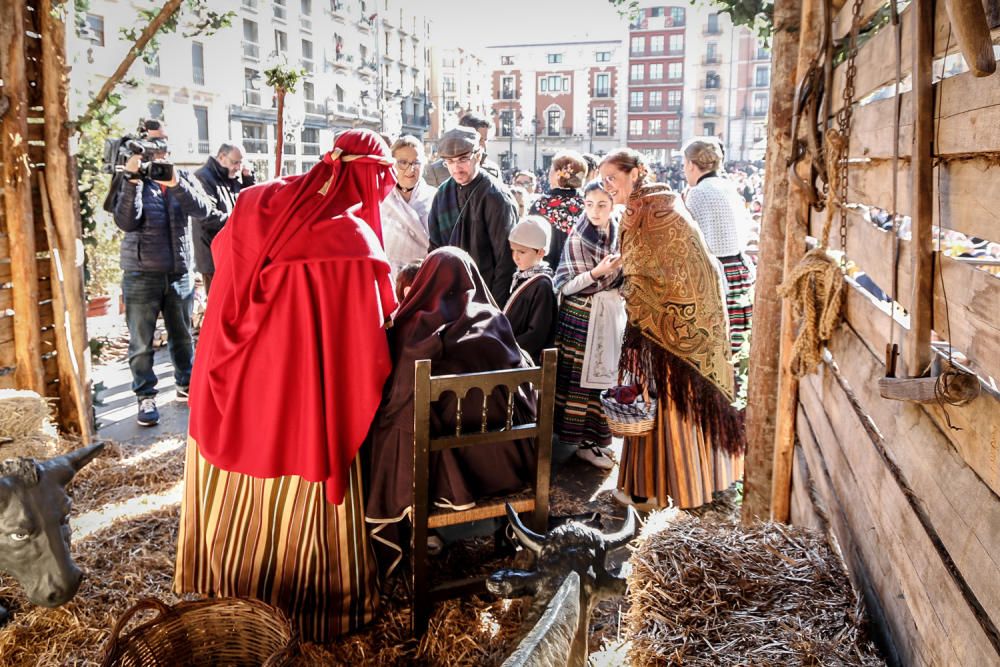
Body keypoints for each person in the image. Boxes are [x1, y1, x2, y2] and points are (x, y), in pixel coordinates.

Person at [175, 129, 398, 641]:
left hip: (230, 382)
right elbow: (365, 346)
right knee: (302, 465)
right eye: (381, 180)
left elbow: (222, 265)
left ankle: (227, 586)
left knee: (230, 474)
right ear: (368, 174)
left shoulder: (255, 202)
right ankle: (310, 604)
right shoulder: (350, 242)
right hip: (298, 398)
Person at [365, 247, 537, 575]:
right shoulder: (495, 320)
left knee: (394, 425)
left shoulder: (416, 330)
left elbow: (397, 397)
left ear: (424, 283)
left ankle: (418, 534)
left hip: (445, 478)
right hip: (508, 465)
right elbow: (526, 386)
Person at [598, 148, 744, 510]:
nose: (607, 186)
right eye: (603, 180)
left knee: (666, 404)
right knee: (664, 402)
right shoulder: (657, 204)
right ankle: (679, 483)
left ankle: (663, 487)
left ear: (636, 173)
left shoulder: (650, 209)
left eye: (612, 178)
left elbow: (664, 273)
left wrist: (633, 294)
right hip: (678, 324)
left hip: (674, 329)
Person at [113, 131, 212, 426]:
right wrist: (132, 181)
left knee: (182, 336)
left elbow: (203, 210)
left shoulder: (181, 177)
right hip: (141, 273)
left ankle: (187, 386)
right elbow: (126, 221)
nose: (159, 152)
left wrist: (177, 184)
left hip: (179, 272)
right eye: (153, 145)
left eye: (164, 144)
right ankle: (145, 396)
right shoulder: (132, 178)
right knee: (141, 342)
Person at [552, 180, 625, 470]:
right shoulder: (578, 236)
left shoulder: (620, 232)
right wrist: (598, 272)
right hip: (580, 319)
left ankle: (597, 440)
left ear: (613, 206)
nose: (594, 211)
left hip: (608, 316)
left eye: (602, 205)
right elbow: (565, 286)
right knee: (578, 384)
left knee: (604, 381)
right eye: (589, 204)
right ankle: (580, 443)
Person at [427, 126, 519, 306]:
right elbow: (435, 249)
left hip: (484, 295)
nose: (456, 168)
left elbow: (506, 261)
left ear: (478, 155)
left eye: (463, 159)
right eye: (450, 161)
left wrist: (494, 309)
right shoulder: (442, 194)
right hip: (449, 295)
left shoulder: (496, 196)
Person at [682, 138, 756, 357]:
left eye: (685, 164)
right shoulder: (728, 186)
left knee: (715, 346)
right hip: (740, 270)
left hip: (716, 274)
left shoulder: (697, 192)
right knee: (737, 342)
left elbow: (689, 239)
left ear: (691, 165)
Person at [192, 142, 255, 295]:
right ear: (222, 157)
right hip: (213, 258)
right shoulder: (203, 177)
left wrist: (248, 181)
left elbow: (248, 205)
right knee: (218, 307)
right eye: (235, 162)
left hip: (231, 255)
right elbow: (207, 216)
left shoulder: (231, 176)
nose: (238, 167)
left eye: (241, 162)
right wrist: (240, 222)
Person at [505, 216, 558, 364]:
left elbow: (537, 334)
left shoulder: (542, 285)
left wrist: (507, 349)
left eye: (522, 252)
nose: (515, 257)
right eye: (513, 251)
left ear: (540, 252)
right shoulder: (520, 276)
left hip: (525, 359)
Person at [380, 135, 435, 278]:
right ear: (392, 164)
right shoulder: (380, 199)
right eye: (403, 163)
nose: (411, 170)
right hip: (389, 278)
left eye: (416, 163)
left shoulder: (436, 197)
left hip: (426, 276)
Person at [528, 150, 587, 268]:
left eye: (551, 169)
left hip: (547, 270)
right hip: (580, 269)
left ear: (557, 174)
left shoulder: (542, 204)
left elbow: (529, 239)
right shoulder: (587, 203)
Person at [424, 112, 502, 186]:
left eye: (485, 140)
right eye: (479, 139)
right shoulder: (435, 171)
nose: (484, 146)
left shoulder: (493, 169)